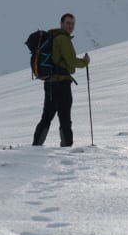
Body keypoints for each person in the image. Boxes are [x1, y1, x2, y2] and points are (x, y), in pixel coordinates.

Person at [33, 13, 90, 147]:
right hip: (62, 85)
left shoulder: (53, 37)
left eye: (72, 24)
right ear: (61, 23)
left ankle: (36, 146)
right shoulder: (63, 39)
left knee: (46, 118)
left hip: (50, 84)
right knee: (65, 119)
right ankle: (67, 148)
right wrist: (85, 62)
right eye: (68, 23)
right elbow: (72, 61)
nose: (70, 26)